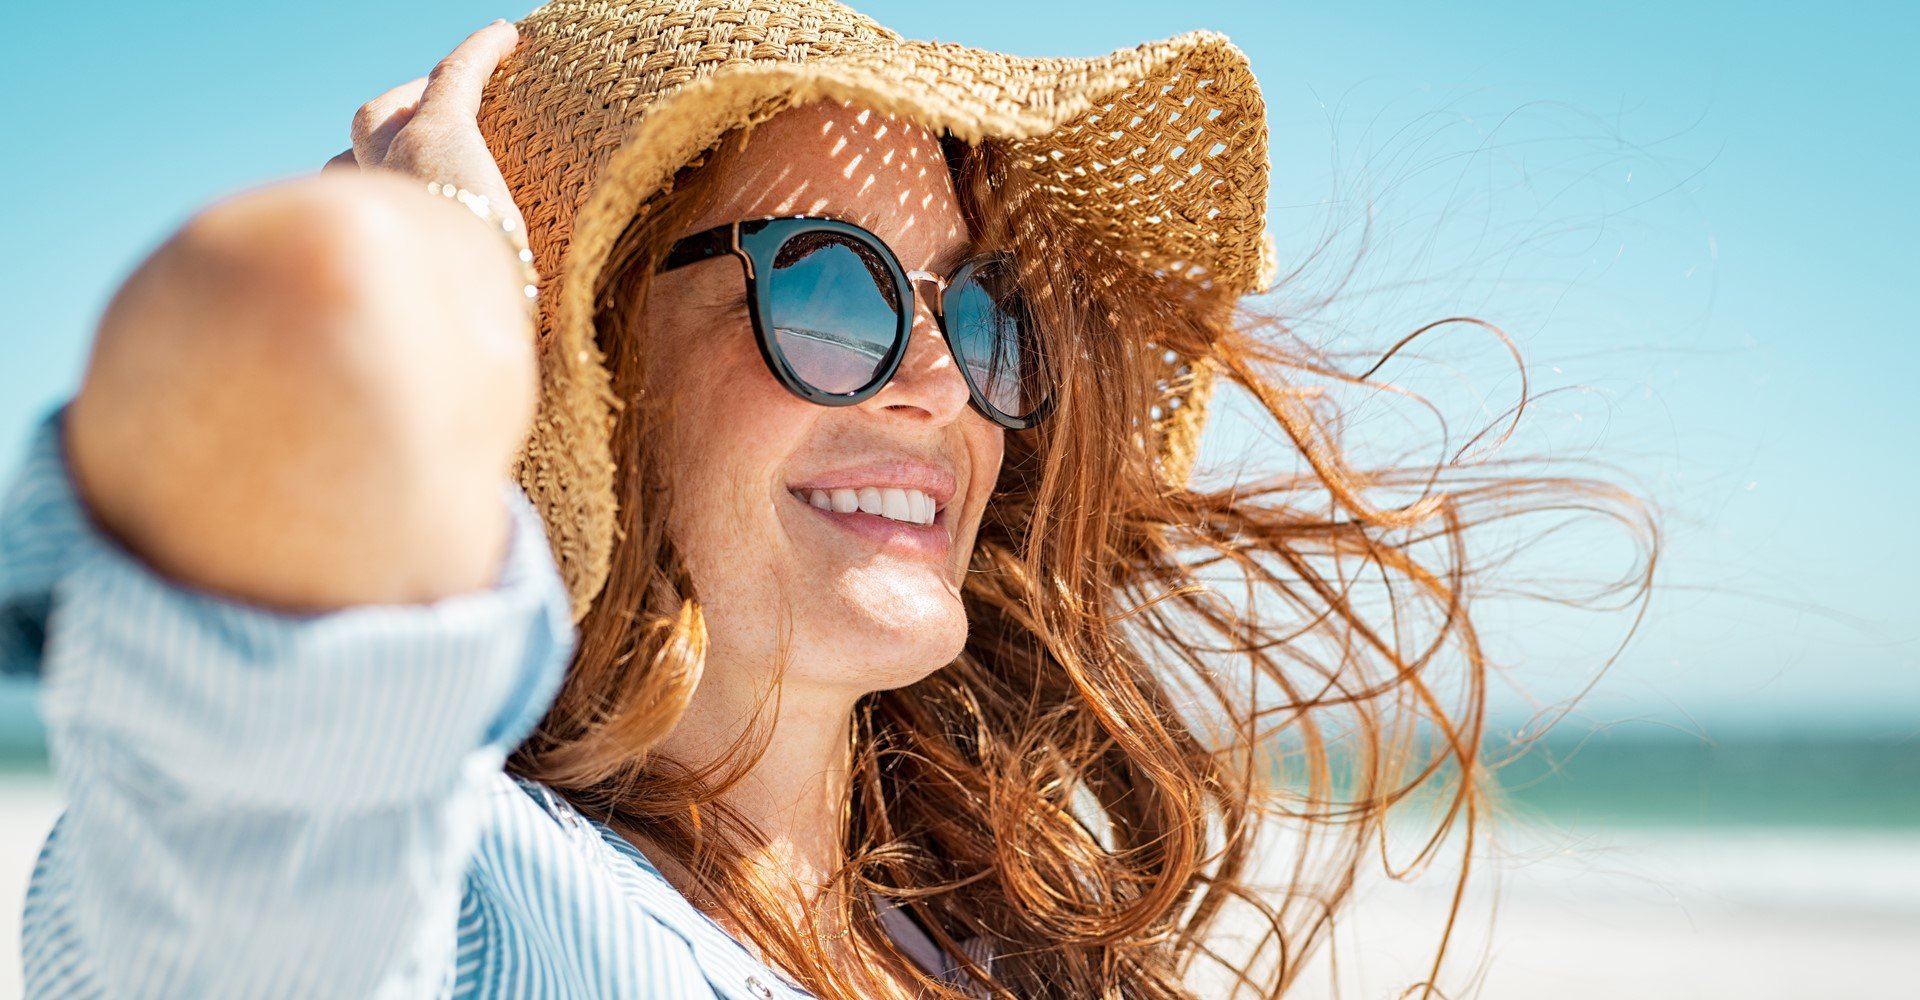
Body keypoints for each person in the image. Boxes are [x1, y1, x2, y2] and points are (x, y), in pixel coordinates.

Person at [3, 1, 1655, 998]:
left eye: (976, 309)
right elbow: (261, 349)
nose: (939, 384)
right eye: (834, 291)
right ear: (581, 353)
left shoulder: (980, 951)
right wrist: (432, 284)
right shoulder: (446, 903)